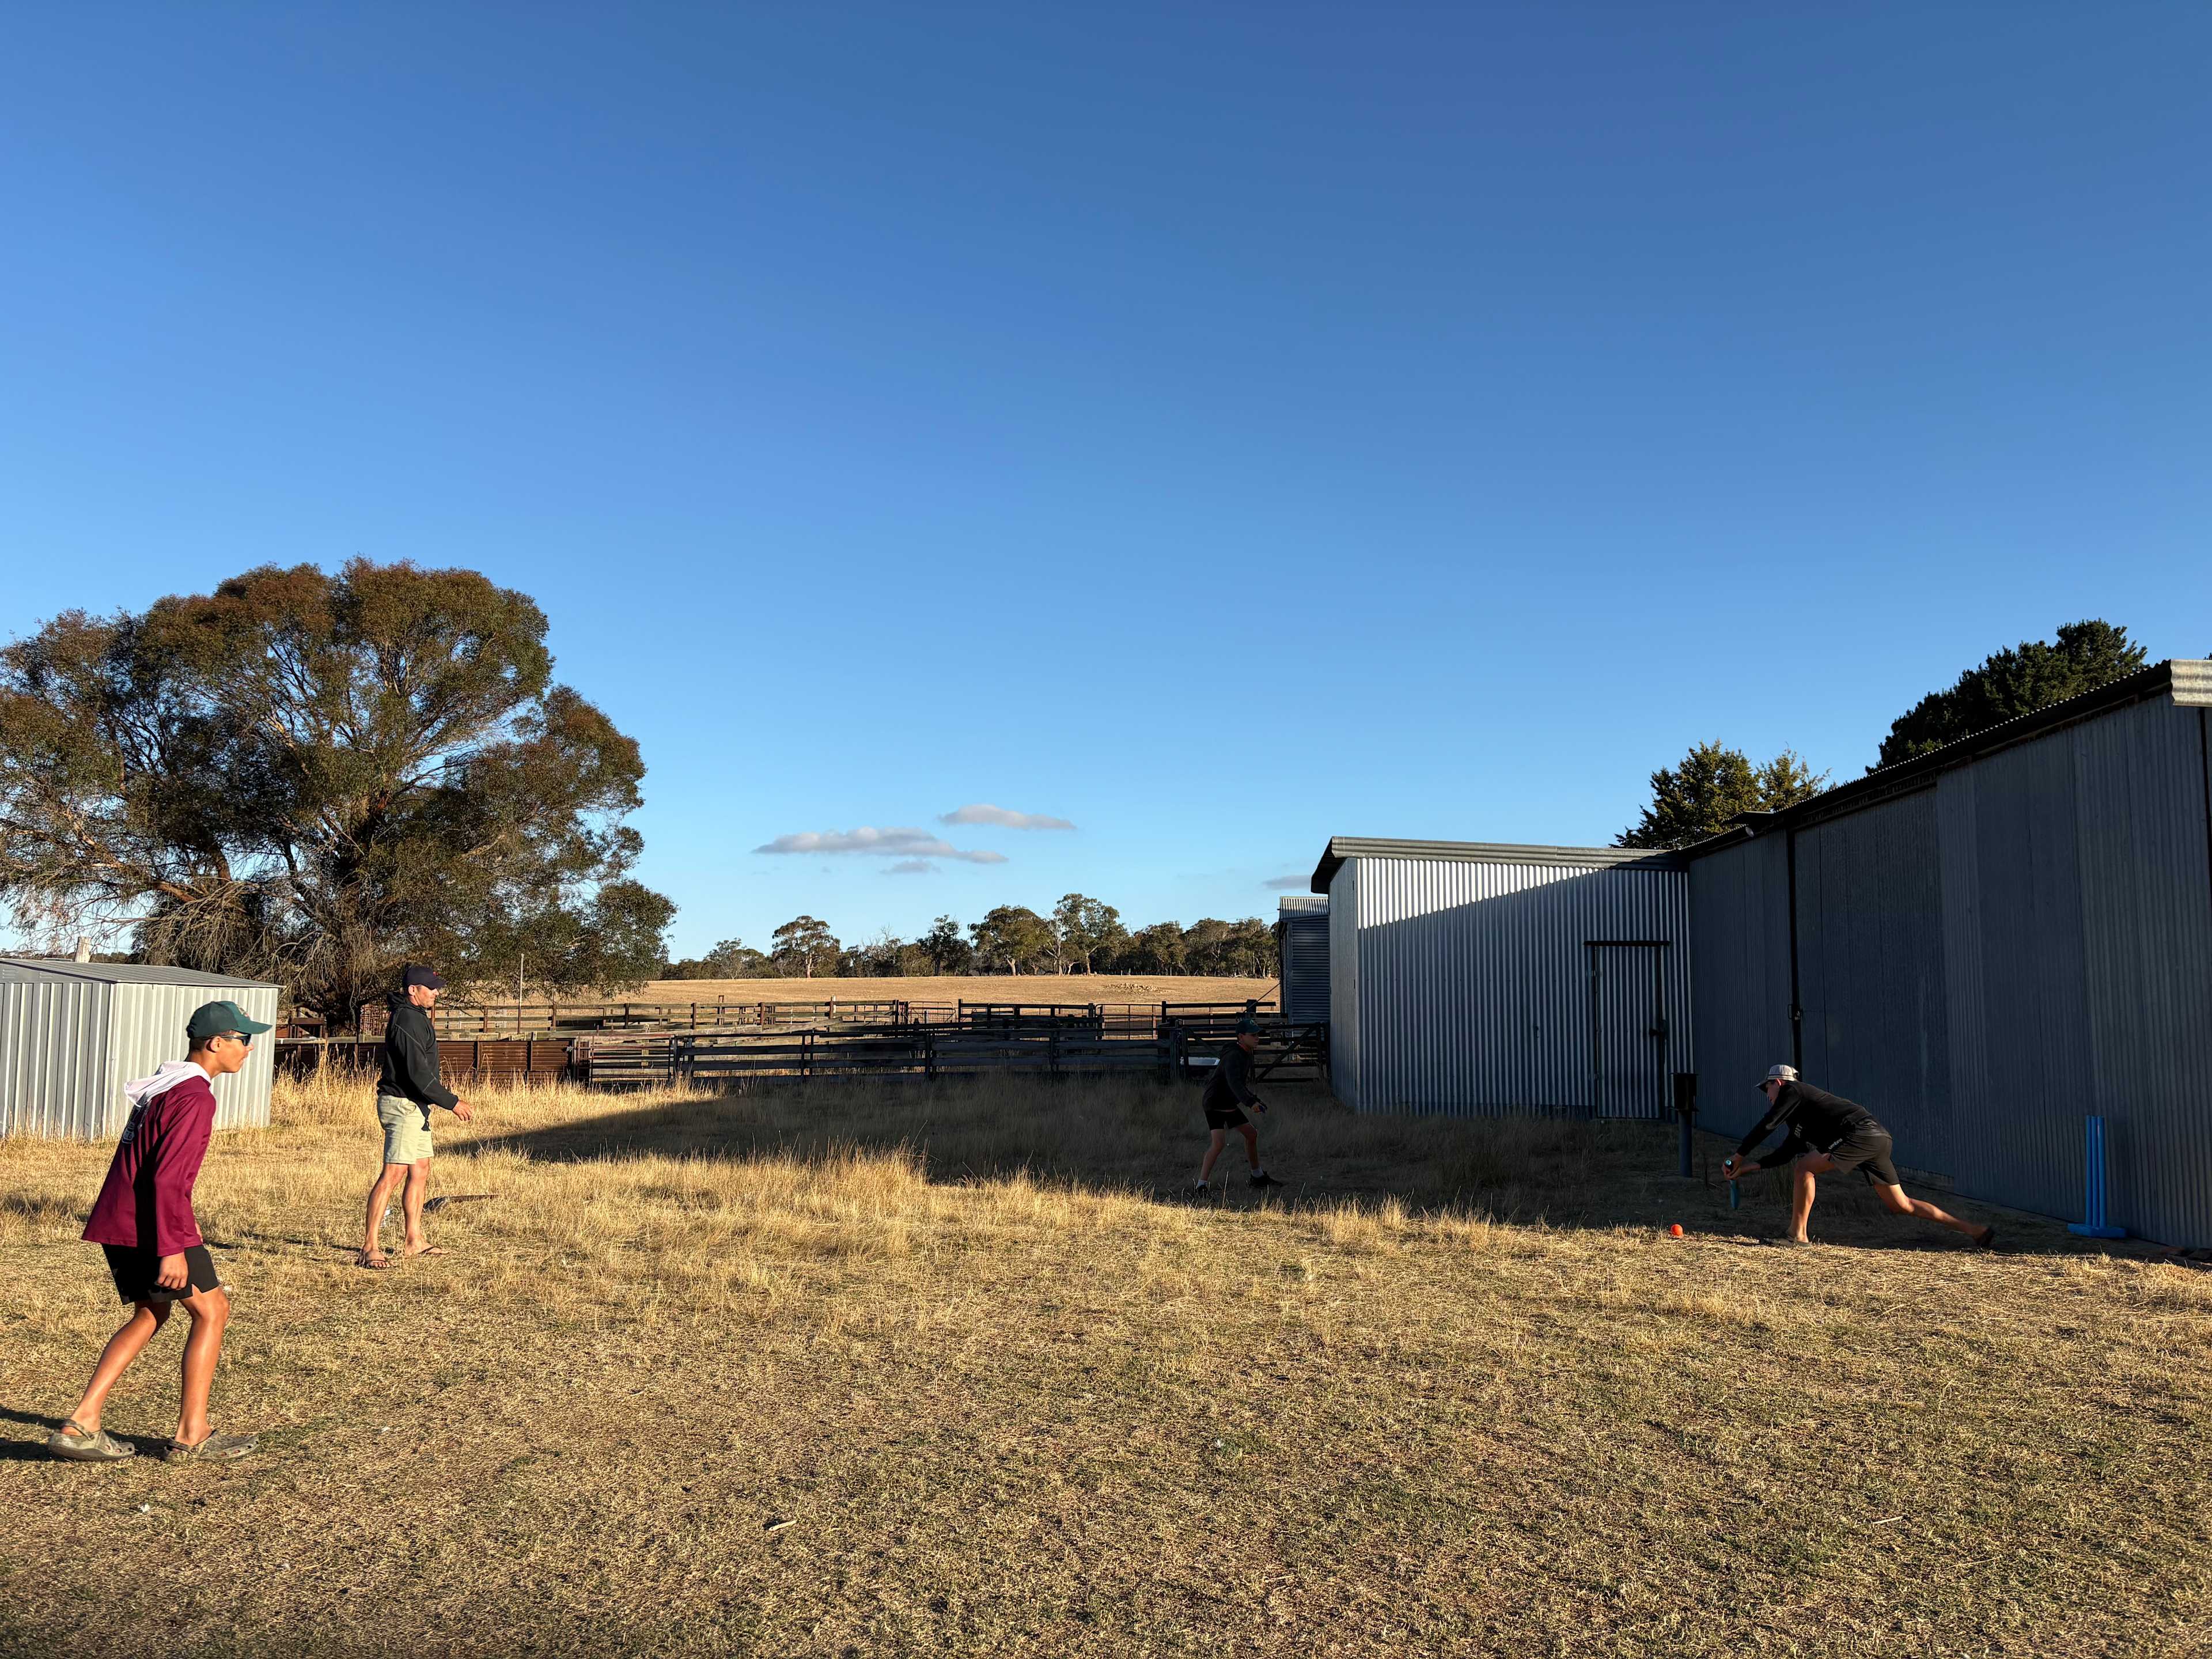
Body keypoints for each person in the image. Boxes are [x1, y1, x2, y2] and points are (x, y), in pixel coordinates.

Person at [50, 999, 271, 1463]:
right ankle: (192, 1434)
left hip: (123, 1221)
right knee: (212, 1310)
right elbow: (168, 1179)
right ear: (217, 1043)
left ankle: (82, 1423)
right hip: (154, 1227)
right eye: (243, 1039)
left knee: (151, 1313)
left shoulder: (166, 1087)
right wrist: (172, 1248)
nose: (249, 1049)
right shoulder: (195, 1097)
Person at [1724, 1064, 1995, 1248]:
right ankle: (1975, 1230)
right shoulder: (1800, 1119)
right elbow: (1785, 1153)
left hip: (1860, 1133)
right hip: (1877, 1138)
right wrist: (1745, 1168)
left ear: (1778, 1083)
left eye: (1767, 1089)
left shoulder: (1793, 1091)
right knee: (1902, 1205)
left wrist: (1738, 1154)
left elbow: (1768, 1124)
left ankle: (1798, 1235)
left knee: (1805, 1169)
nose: (1767, 1096)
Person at [358, 964, 473, 1268]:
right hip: (402, 1104)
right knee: (393, 1173)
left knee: (420, 1169)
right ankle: (370, 1247)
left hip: (416, 1107)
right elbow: (417, 1074)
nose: (436, 993)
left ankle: (414, 1241)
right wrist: (452, 1102)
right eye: (430, 988)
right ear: (413, 990)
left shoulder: (416, 1016)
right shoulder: (407, 1019)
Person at [1192, 1017, 1285, 1195]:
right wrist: (1250, 1103)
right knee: (1219, 1144)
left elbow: (1240, 1085)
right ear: (1241, 1037)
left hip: (1228, 1103)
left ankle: (1257, 1177)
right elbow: (1234, 1083)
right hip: (1215, 1103)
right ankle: (1201, 1187)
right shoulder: (1234, 1056)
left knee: (1251, 1134)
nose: (1257, 1038)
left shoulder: (1245, 1053)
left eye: (1258, 1035)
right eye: (1253, 1035)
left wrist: (1254, 1099)